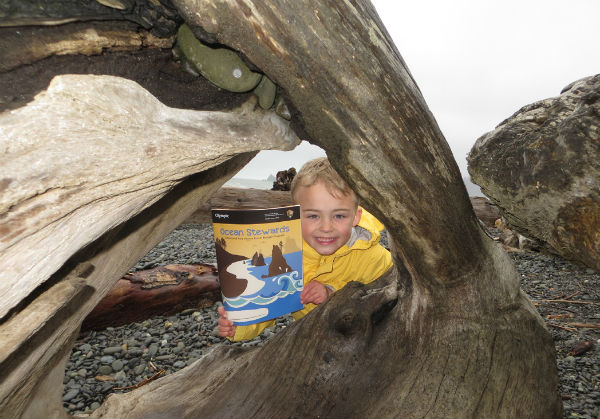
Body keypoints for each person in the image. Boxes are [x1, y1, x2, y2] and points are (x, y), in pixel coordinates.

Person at [217, 157, 393, 341]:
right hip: (309, 338)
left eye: (339, 215)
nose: (326, 227)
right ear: (294, 216)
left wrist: (333, 295)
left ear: (356, 217)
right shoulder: (285, 255)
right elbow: (267, 304)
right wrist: (237, 326)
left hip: (363, 337)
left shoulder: (371, 255)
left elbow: (392, 294)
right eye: (313, 216)